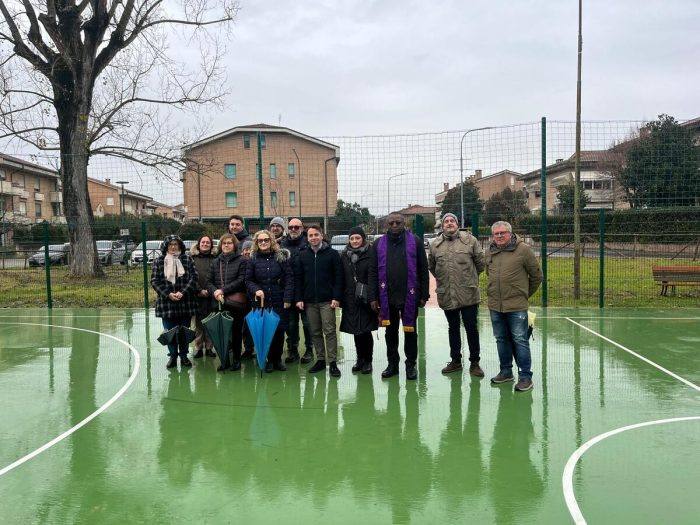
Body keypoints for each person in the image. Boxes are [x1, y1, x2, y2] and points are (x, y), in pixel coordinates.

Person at [368, 212, 429, 380]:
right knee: (390, 333)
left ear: (404, 223)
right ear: (387, 225)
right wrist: (373, 297)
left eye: (398, 223)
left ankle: (410, 366)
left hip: (410, 295)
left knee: (410, 333)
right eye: (391, 223)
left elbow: (423, 269)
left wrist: (424, 294)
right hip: (386, 297)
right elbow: (372, 271)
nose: (394, 226)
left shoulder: (415, 241)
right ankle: (392, 364)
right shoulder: (378, 244)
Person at [486, 221, 542, 392]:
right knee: (501, 340)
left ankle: (525, 377)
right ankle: (506, 372)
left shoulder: (523, 250)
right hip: (495, 305)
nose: (500, 236)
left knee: (520, 340)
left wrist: (523, 294)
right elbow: (489, 273)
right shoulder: (489, 251)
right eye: (496, 234)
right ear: (493, 236)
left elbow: (536, 276)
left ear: (510, 234)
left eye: (503, 233)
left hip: (517, 306)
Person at [428, 212, 485, 376]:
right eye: (446, 221)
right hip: (447, 295)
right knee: (453, 328)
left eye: (452, 220)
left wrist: (468, 279)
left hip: (468, 294)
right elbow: (432, 267)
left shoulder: (470, 241)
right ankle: (455, 361)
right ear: (442, 225)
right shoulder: (435, 245)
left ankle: (475, 363)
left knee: (471, 328)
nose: (449, 223)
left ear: (457, 224)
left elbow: (480, 264)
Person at [294, 225, 344, 378]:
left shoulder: (333, 254)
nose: (314, 237)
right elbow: (298, 279)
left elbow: (339, 277)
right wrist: (299, 298)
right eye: (310, 235)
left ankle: (333, 362)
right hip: (309, 302)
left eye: (316, 234)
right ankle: (320, 360)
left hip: (327, 301)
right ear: (307, 238)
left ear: (322, 236)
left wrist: (336, 297)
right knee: (314, 332)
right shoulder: (302, 255)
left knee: (329, 331)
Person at [245, 230, 294, 373]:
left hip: (279, 300)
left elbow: (290, 278)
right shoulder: (252, 259)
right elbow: (248, 280)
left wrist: (287, 298)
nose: (263, 243)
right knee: (266, 332)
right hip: (261, 302)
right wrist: (256, 289)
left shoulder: (281, 257)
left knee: (279, 332)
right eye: (260, 241)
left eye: (266, 240)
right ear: (256, 243)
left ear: (271, 241)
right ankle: (269, 360)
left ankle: (278, 360)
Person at [151, 235, 199, 369]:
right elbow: (155, 281)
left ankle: (184, 356)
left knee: (184, 331)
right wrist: (168, 294)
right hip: (167, 304)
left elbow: (194, 278)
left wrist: (182, 292)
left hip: (185, 302)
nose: (173, 246)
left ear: (180, 246)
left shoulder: (187, 259)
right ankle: (172, 356)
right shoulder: (159, 261)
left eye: (176, 244)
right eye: (170, 244)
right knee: (170, 332)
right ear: (166, 246)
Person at [339, 226, 378, 374]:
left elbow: (375, 275)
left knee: (366, 330)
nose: (355, 241)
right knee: (356, 330)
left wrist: (373, 297)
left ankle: (368, 361)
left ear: (363, 239)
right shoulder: (344, 255)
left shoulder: (371, 253)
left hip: (366, 297)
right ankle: (359, 359)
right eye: (352, 238)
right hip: (350, 298)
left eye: (358, 238)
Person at [207, 233, 248, 371]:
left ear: (234, 245)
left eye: (229, 243)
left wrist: (222, 290)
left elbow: (241, 280)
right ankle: (224, 360)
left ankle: (236, 359)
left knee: (236, 333)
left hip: (235, 304)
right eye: (224, 243)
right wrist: (215, 292)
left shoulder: (242, 260)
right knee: (222, 333)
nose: (226, 245)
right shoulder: (215, 262)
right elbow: (209, 281)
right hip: (218, 302)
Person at [280, 217, 314, 364]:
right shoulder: (281, 245)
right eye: (291, 227)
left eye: (296, 227)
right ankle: (292, 350)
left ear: (302, 229)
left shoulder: (309, 244)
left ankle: (309, 349)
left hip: (306, 290)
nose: (293, 229)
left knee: (307, 323)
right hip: (288, 291)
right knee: (291, 324)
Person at [190, 234, 216, 359]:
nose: (205, 244)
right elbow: (190, 277)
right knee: (199, 323)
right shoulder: (192, 259)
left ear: (211, 245)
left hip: (212, 295)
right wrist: (198, 290)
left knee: (210, 321)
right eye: (203, 242)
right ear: (198, 244)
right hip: (197, 295)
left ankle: (210, 347)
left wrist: (211, 291)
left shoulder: (216, 258)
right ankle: (199, 347)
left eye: (208, 242)